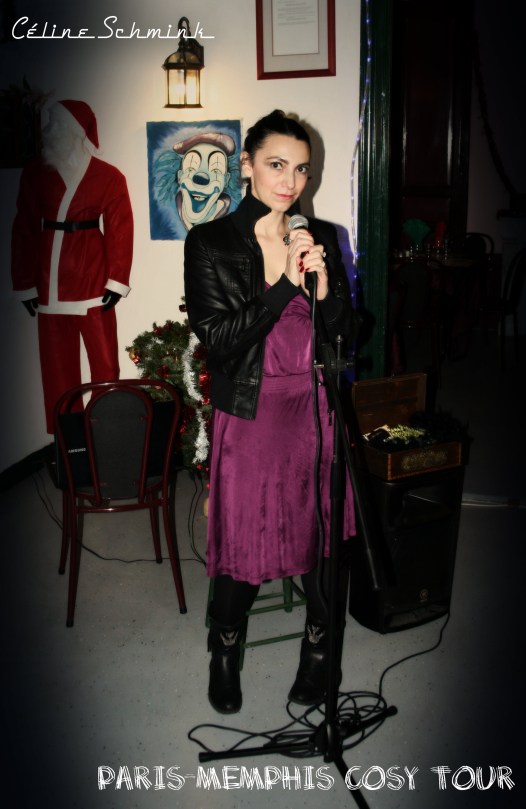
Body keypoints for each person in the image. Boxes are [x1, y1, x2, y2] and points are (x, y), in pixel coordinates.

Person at [184, 109, 360, 714]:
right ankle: (224, 649)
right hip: (252, 415)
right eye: (277, 165)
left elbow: (348, 337)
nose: (291, 181)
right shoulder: (210, 242)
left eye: (301, 169)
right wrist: (284, 284)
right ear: (247, 165)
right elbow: (218, 339)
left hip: (315, 411)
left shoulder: (322, 235)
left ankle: (320, 652)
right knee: (242, 547)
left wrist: (327, 295)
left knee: (323, 543)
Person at [11, 99, 134, 432]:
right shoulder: (35, 174)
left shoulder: (108, 176)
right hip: (49, 282)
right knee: (57, 371)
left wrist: (116, 280)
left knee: (105, 366)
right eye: (48, 124)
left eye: (56, 125)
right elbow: (24, 228)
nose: (49, 132)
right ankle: (68, 442)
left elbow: (121, 230)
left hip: (93, 281)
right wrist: (24, 283)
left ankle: (108, 432)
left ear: (77, 130)